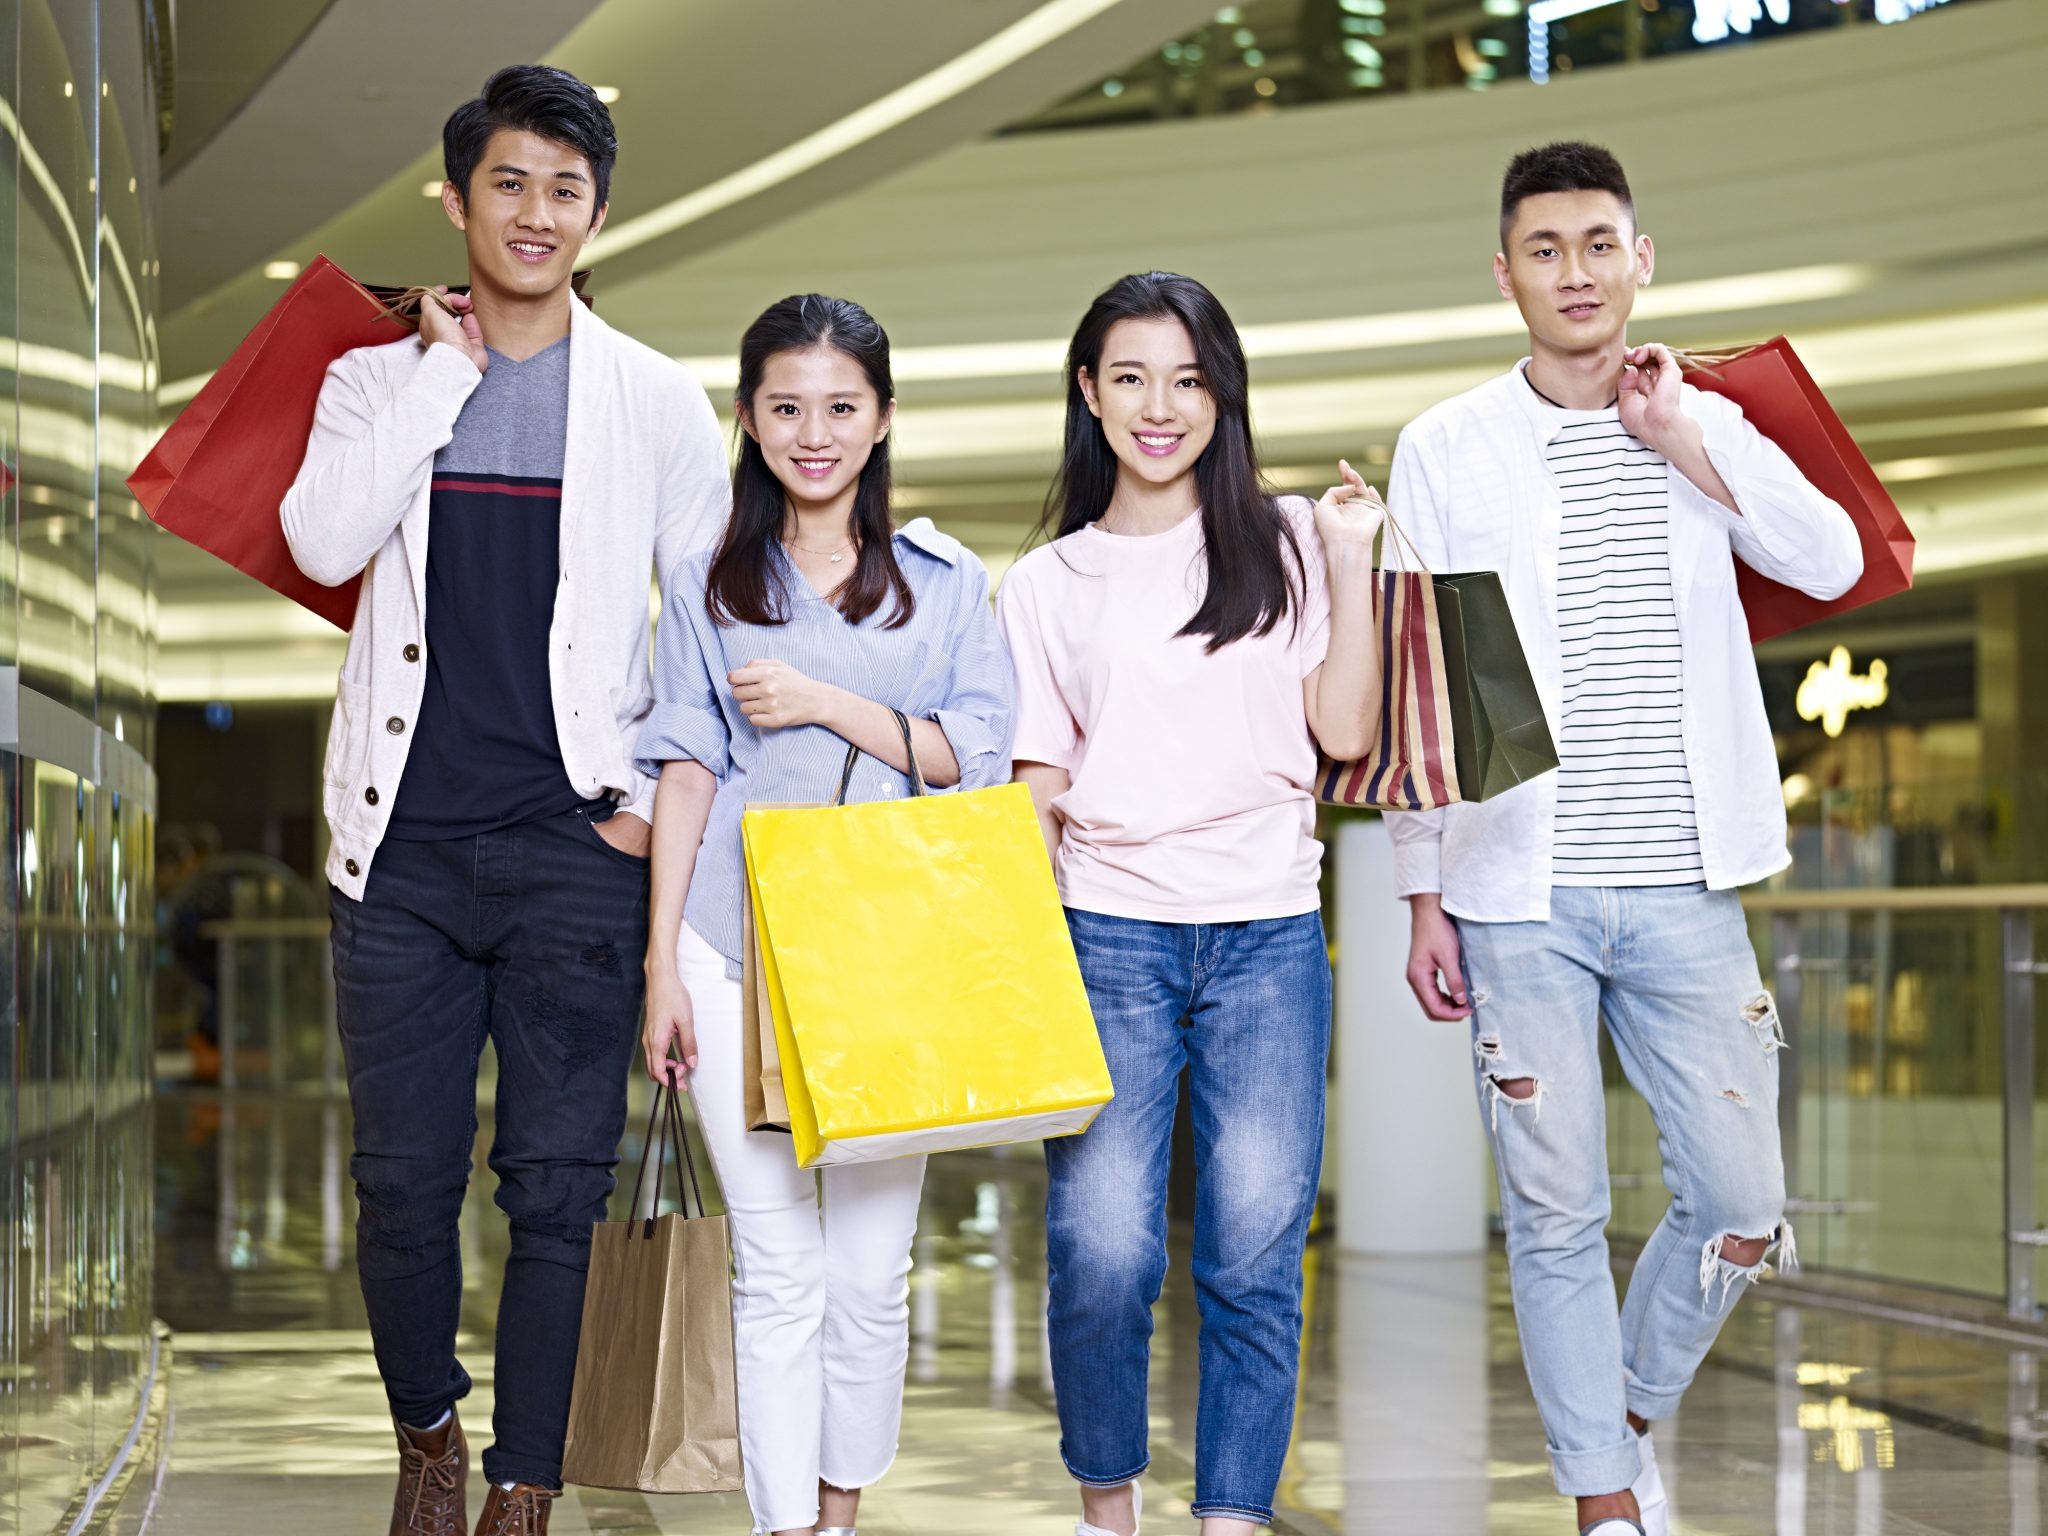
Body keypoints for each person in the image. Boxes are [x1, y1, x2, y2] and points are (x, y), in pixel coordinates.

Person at [1388, 142, 1862, 1536]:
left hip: (1685, 879)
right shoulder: (1448, 447)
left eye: (1600, 244)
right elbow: (1427, 690)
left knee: (1743, 1198)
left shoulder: (1697, 417)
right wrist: (1423, 893)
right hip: (1513, 884)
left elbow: (1831, 561)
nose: (1576, 272)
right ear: (1506, 274)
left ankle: (1626, 1411)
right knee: (1552, 1211)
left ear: (1641, 259)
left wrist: (1689, 444)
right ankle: (1603, 1500)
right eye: (1546, 249)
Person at [281, 65, 727, 1536]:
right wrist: (441, 377)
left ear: (599, 212)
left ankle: (524, 1480)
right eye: (511, 184)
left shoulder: (657, 401)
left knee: (555, 1188)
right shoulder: (374, 380)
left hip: (571, 851)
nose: (537, 214)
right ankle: (428, 1433)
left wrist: (637, 818)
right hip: (397, 851)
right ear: (459, 199)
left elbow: (705, 637)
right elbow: (323, 533)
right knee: (402, 1186)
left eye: (566, 189)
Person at [999, 271, 1385, 1536]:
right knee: (1104, 1254)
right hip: (1104, 929)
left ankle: (1229, 1518)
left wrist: (1345, 556)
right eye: (1128, 378)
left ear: (1221, 390)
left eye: (1186, 377)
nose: (1159, 407)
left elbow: (1342, 728)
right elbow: (1039, 779)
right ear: (1087, 394)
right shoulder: (1049, 582)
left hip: (1268, 932)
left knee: (1253, 1260)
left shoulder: (1280, 538)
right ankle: (1107, 1502)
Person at [635, 293, 1014, 1536]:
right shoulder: (702, 584)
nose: (813, 433)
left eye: (840, 408)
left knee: (867, 1274)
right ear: (748, 419)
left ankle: (840, 1508)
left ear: (883, 419)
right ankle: (786, 1527)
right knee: (777, 1268)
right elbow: (683, 769)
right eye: (786, 407)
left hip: (886, 964)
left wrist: (821, 700)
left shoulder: (947, 585)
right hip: (729, 946)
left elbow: (974, 755)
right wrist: (660, 971)